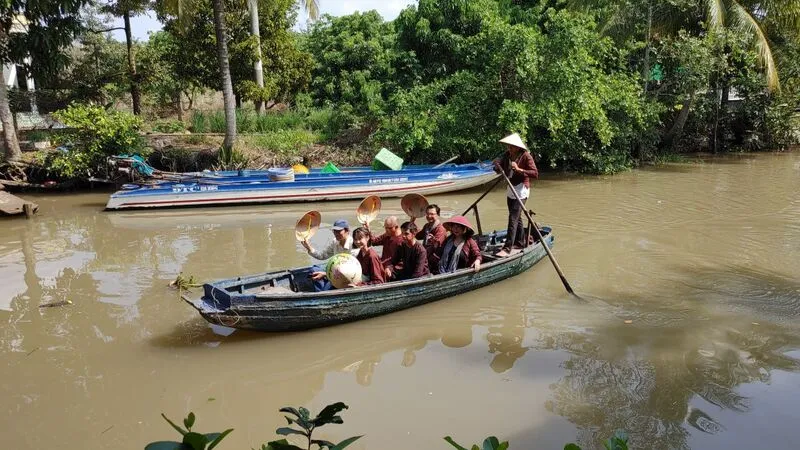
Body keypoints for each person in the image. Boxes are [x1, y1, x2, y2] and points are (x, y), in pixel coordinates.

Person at [493, 132, 538, 257]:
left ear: (518, 147)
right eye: (508, 146)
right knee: (516, 218)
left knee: (513, 218)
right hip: (511, 188)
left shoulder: (526, 156)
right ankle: (520, 242)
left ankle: (507, 248)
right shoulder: (507, 155)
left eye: (512, 146)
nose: (509, 148)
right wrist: (496, 165)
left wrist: (519, 170)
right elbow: (498, 169)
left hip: (521, 189)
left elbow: (534, 173)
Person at [303, 219, 356, 291]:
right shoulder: (335, 242)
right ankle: (321, 290)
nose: (336, 233)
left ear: (347, 231)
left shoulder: (353, 244)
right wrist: (309, 247)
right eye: (334, 231)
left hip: (347, 275)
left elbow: (351, 269)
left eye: (339, 231)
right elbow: (322, 256)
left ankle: (324, 290)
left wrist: (326, 274)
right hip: (335, 268)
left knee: (326, 288)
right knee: (314, 270)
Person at [414, 204, 446, 273]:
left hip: (436, 262)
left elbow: (436, 245)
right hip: (426, 258)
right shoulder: (427, 226)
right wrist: (412, 221)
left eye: (432, 214)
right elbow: (418, 236)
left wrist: (433, 239)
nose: (429, 216)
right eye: (427, 214)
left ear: (438, 215)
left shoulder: (441, 229)